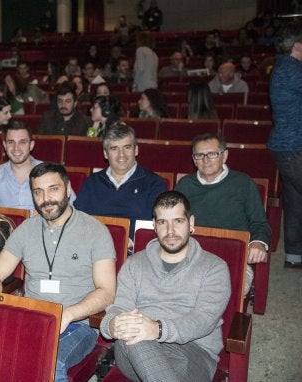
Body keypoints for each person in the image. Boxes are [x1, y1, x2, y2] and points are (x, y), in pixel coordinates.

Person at [0, 162, 117, 382]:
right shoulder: (26, 229)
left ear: (68, 188)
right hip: (30, 318)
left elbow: (107, 291)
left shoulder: (95, 231)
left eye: (53, 189)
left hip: (77, 324)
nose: (46, 198)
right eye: (38, 191)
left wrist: (70, 314)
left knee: (49, 361)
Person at [100, 191, 230, 382]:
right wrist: (111, 325)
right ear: (154, 225)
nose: (170, 230)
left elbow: (203, 319)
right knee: (135, 336)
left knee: (143, 343)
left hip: (193, 352)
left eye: (178, 221)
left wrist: (158, 329)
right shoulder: (134, 264)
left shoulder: (214, 267)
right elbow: (120, 307)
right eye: (162, 222)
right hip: (134, 350)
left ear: (191, 223)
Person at [175, 133, 271, 290]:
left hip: (232, 258)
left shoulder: (243, 183)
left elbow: (259, 222)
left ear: (224, 155)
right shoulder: (184, 185)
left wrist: (258, 243)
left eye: (212, 154)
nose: (206, 160)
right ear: (194, 159)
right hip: (192, 257)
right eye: (200, 155)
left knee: (217, 292)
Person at [76, 123, 166, 239]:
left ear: (136, 150)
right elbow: (78, 221)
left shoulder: (154, 183)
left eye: (127, 147)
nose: (121, 155)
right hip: (93, 247)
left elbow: (155, 227)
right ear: (105, 154)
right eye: (114, 149)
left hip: (134, 250)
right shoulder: (92, 182)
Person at [268, 20, 302, 268]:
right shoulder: (295, 70)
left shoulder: (282, 66)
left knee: (295, 200)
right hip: (295, 147)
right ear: (298, 46)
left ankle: (293, 255)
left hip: (285, 147)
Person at [0, 122, 41, 212]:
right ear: (5, 145)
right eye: (11, 142)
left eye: (22, 142)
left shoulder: (48, 172)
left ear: (31, 145)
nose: (16, 148)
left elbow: (69, 206)